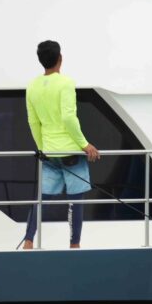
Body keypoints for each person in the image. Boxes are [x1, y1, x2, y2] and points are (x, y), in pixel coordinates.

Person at [24, 40, 101, 249]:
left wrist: (42, 148)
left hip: (49, 152)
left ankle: (28, 241)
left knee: (41, 200)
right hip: (71, 152)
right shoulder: (66, 83)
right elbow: (68, 118)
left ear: (41, 60)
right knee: (75, 201)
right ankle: (74, 245)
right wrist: (85, 145)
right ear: (60, 59)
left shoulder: (32, 86)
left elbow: (33, 122)